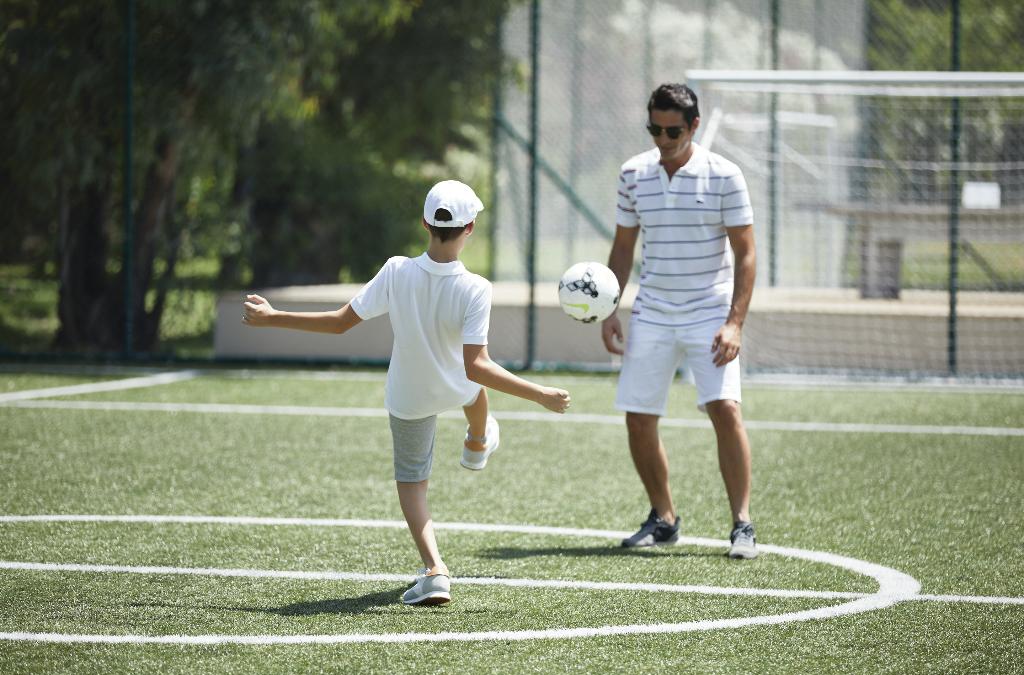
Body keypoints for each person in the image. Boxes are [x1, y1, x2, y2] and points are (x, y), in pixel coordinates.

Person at [243, 180, 572, 604]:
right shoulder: (477, 287)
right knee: (473, 392)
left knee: (413, 483)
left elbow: (340, 323)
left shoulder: (396, 270)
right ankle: (477, 441)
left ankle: (435, 570)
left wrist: (273, 317)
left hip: (410, 395)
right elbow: (477, 367)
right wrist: (539, 394)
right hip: (454, 385)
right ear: (470, 228)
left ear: (425, 224)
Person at [601, 83, 759, 559]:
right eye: (654, 129)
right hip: (652, 311)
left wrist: (734, 323)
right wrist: (610, 308)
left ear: (694, 126)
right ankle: (664, 518)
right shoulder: (633, 173)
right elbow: (623, 247)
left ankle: (743, 525)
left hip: (710, 311)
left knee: (725, 409)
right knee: (638, 418)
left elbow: (746, 253)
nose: (662, 139)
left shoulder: (725, 175)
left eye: (672, 131)